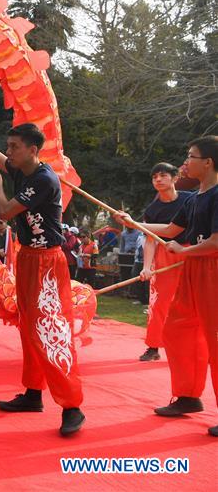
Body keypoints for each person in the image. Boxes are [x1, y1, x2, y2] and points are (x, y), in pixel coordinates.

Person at [0, 104, 85, 436]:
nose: (9, 152)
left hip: (47, 261)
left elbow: (2, 211)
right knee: (29, 327)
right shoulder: (22, 168)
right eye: (10, 146)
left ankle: (72, 405)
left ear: (33, 150)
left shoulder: (43, 179)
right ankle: (33, 393)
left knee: (50, 330)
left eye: (15, 147)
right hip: (28, 257)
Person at [116, 136, 218, 436]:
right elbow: (173, 230)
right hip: (193, 270)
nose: (186, 161)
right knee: (178, 329)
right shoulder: (197, 196)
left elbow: (215, 241)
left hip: (212, 270)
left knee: (215, 339)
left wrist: (184, 251)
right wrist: (134, 223)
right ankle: (188, 396)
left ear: (208, 162)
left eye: (191, 156)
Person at [137, 162, 194, 362]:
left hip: (191, 253)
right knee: (159, 302)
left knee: (195, 302)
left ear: (175, 178)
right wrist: (146, 267)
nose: (158, 180)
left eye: (163, 175)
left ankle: (197, 347)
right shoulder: (153, 209)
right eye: (154, 177)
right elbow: (150, 240)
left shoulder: (191, 199)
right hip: (165, 254)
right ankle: (153, 346)